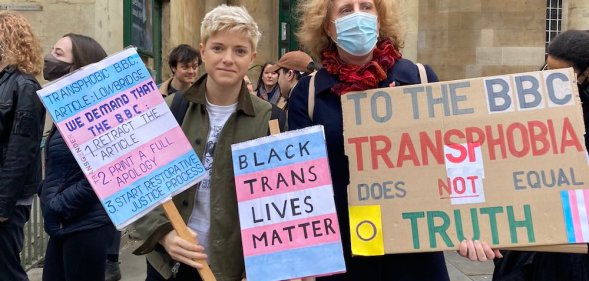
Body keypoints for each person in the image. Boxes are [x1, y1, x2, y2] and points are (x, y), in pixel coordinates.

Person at [288, 1, 498, 280]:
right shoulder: (309, 93)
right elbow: (302, 183)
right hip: (343, 255)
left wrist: (470, 224)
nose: (358, 15)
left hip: (413, 256)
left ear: (379, 19)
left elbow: (455, 161)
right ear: (328, 26)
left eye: (366, 7)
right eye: (346, 10)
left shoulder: (420, 79)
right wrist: (298, 255)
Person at [130, 5, 284, 280]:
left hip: (235, 269)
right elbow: (138, 185)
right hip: (170, 267)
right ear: (202, 52)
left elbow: (283, 202)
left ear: (252, 57)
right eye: (218, 48)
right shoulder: (171, 110)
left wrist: (265, 265)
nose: (228, 58)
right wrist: (163, 235)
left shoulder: (272, 121)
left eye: (239, 50)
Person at [493, 29, 589, 281]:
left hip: (574, 227)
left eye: (560, 75)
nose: (548, 80)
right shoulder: (532, 92)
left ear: (586, 73)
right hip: (534, 219)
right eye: (547, 69)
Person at [39, 33, 116, 281]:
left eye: (59, 54)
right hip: (66, 225)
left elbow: (104, 173)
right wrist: (46, 192)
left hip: (85, 226)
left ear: (80, 65)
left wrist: (59, 205)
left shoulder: (97, 115)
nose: (49, 58)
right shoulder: (70, 112)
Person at [0, 11, 45, 281]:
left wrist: (3, 206)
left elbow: (21, 151)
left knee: (7, 270)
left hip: (8, 199)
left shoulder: (24, 86)